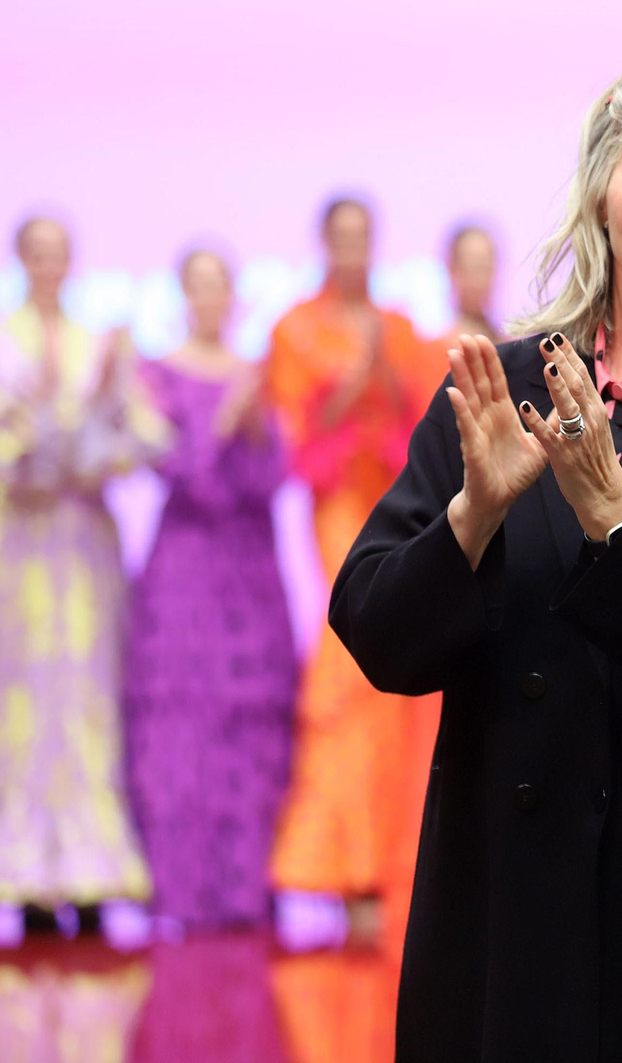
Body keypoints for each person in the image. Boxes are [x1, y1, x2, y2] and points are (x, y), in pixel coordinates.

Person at [327, 55, 622, 1061]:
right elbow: (378, 637)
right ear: (600, 192)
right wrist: (474, 511)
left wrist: (616, 524)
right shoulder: (500, 384)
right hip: (501, 915)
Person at [263, 197, 443, 950]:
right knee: (348, 660)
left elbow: (423, 418)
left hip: (396, 499)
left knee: (400, 678)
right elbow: (300, 430)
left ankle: (393, 866)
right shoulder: (297, 328)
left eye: (361, 238)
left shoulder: (399, 326)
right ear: (323, 242)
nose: (352, 250)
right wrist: (355, 375)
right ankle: (342, 868)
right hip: (339, 503)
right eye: (341, 238)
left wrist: (385, 367)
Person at [0, 216, 170, 948]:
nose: (48, 265)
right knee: (24, 703)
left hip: (83, 547)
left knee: (88, 697)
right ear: (20, 258)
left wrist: (102, 435)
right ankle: (29, 877)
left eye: (58, 254)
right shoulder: (6, 343)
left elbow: (146, 435)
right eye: (37, 253)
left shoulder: (97, 343)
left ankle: (93, 871)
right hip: (22, 547)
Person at [121, 249, 298, 939]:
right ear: (181, 295)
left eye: (219, 286)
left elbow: (275, 476)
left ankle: (247, 883)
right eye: (197, 287)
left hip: (249, 569)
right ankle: (181, 886)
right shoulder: (157, 375)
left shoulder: (256, 373)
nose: (209, 299)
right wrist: (224, 423)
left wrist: (254, 427)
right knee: (180, 720)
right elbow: (176, 469)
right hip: (184, 569)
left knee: (249, 716)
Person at [442, 224, 499, 341]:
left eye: (485, 268)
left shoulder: (507, 341)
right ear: (452, 269)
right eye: (471, 267)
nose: (480, 279)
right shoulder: (436, 341)